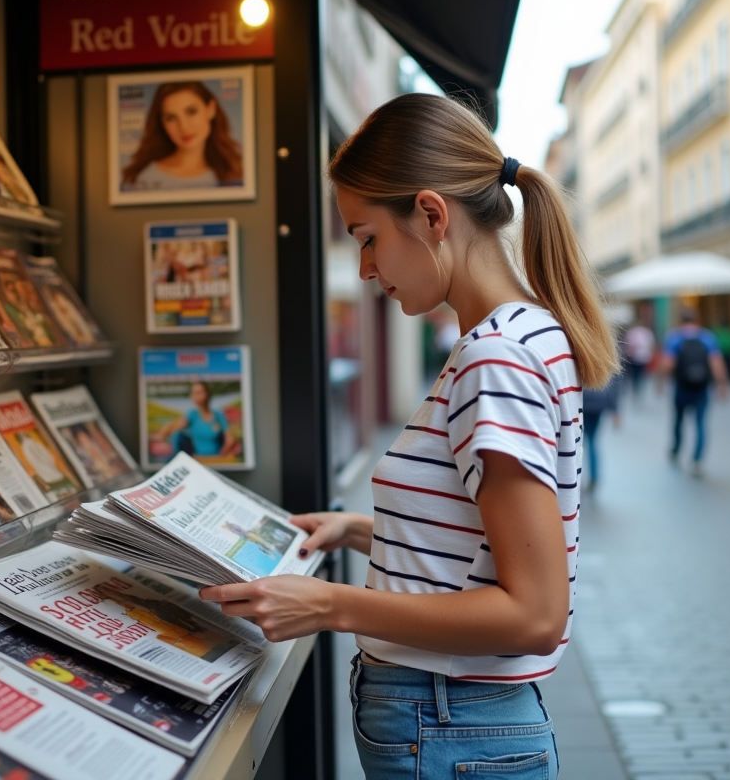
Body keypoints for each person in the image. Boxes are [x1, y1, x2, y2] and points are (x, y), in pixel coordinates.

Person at [197, 93, 618, 780]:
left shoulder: (495, 357)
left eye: (367, 238)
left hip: (453, 726)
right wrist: (364, 531)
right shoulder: (513, 336)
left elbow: (536, 613)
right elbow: (477, 539)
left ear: (430, 214)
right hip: (455, 727)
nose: (365, 270)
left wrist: (329, 604)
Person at [121, 82, 243, 192]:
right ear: (161, 124)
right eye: (171, 118)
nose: (184, 127)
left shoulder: (235, 170)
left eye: (191, 112)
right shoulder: (145, 179)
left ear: (210, 109)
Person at [658, 307, 730, 476]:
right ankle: (697, 459)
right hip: (701, 388)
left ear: (680, 320)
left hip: (682, 387)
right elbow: (716, 363)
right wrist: (723, 385)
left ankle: (676, 449)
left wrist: (660, 381)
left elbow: (668, 363)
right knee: (700, 423)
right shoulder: (707, 337)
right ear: (697, 320)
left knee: (678, 420)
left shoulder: (675, 338)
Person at [157, 382, 239, 459]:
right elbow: (176, 427)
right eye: (195, 393)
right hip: (199, 458)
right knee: (177, 436)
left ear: (207, 393)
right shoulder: (192, 415)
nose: (197, 395)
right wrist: (163, 434)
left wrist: (222, 455)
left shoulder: (218, 415)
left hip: (217, 458)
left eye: (200, 392)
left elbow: (229, 439)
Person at [581, 377, 621, 493]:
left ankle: (575, 475)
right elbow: (614, 382)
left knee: (577, 441)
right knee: (593, 440)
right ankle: (594, 477)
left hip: (582, 399)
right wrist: (615, 409)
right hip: (599, 401)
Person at [622, 320, 656, 398]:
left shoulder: (632, 332)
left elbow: (628, 345)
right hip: (643, 357)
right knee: (640, 373)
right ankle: (638, 386)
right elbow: (651, 346)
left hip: (634, 356)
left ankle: (635, 386)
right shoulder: (647, 333)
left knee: (634, 373)